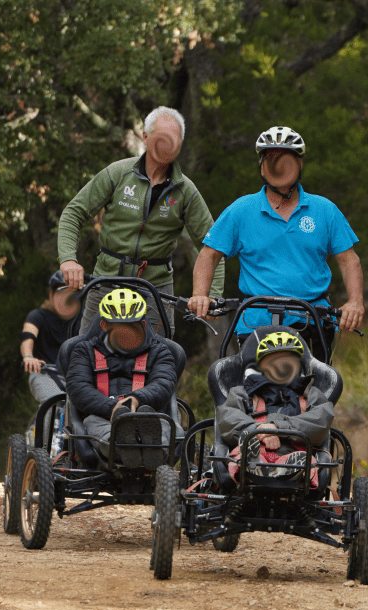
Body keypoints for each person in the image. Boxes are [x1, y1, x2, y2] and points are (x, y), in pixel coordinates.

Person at [187, 126, 364, 362]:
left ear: (299, 164)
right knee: (244, 390)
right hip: (256, 321)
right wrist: (200, 295)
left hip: (312, 319)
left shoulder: (325, 210)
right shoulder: (241, 210)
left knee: (319, 390)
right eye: (271, 159)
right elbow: (209, 255)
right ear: (261, 166)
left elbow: (349, 259)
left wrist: (355, 302)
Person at [57, 106, 223, 335]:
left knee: (164, 360)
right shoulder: (118, 173)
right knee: (81, 355)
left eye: (174, 139)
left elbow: (214, 245)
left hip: (155, 291)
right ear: (145, 137)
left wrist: (211, 295)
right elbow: (73, 213)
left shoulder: (186, 191)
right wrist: (68, 260)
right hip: (106, 281)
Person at [64, 289, 178, 468]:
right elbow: (78, 388)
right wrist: (113, 408)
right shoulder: (84, 351)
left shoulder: (160, 351)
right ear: (104, 325)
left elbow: (163, 384)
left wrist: (136, 400)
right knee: (94, 424)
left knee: (163, 425)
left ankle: (152, 450)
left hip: (149, 414)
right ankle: (123, 447)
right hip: (101, 416)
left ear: (142, 323)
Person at [215, 331, 335, 494]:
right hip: (251, 448)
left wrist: (277, 428)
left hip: (294, 452)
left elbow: (321, 420)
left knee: (304, 460)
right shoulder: (242, 393)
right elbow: (227, 417)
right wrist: (258, 430)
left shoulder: (312, 395)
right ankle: (254, 462)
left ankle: (284, 468)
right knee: (243, 452)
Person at [21, 270, 81, 403]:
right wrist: (28, 357)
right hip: (44, 373)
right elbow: (27, 337)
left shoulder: (82, 320)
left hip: (74, 378)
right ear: (51, 295)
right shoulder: (37, 316)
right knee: (55, 403)